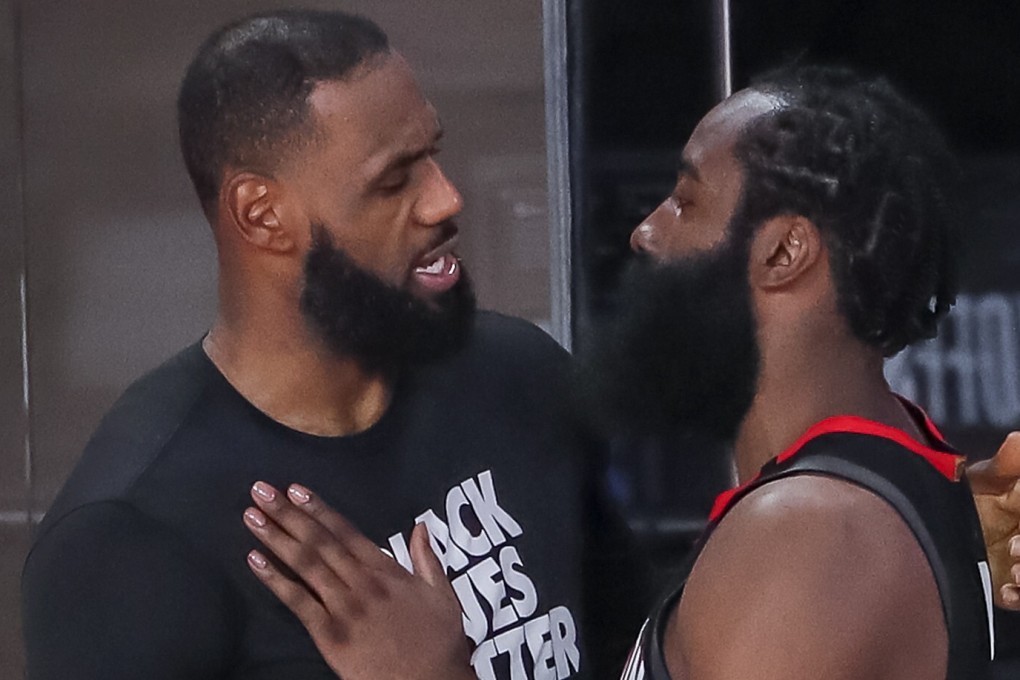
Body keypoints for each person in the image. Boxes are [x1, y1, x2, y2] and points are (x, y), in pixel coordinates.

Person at [239, 65, 1020, 680]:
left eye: (687, 201)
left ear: (783, 253)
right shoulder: (905, 471)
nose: (647, 232)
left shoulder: (804, 537)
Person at [20, 10, 646, 680]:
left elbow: (629, 652)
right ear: (262, 215)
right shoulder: (128, 537)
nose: (445, 199)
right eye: (393, 179)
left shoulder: (521, 376)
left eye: (432, 154)